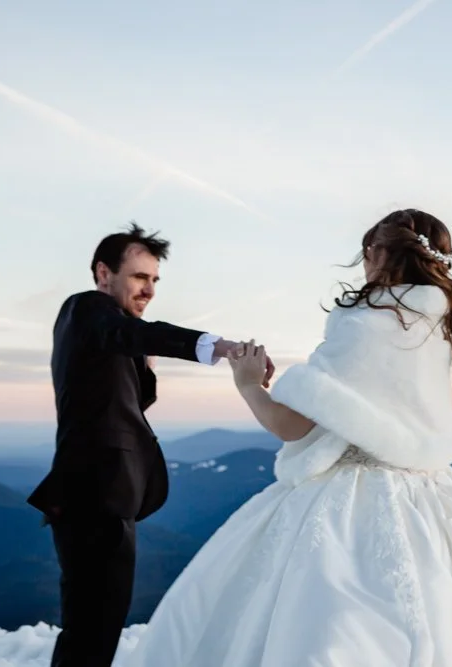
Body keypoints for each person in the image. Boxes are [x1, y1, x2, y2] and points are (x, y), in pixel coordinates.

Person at [122, 209, 452, 666]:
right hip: (433, 493)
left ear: (384, 253)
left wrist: (247, 384)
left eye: (367, 249)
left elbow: (296, 423)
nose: (363, 261)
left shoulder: (364, 322)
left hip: (347, 496)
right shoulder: (437, 325)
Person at [26, 222, 274, 667]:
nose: (150, 290)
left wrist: (146, 362)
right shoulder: (87, 310)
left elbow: (122, 402)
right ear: (104, 273)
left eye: (155, 280)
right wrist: (218, 347)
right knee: (93, 627)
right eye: (140, 277)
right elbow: (131, 334)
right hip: (93, 497)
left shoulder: (110, 331)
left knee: (95, 625)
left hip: (105, 496)